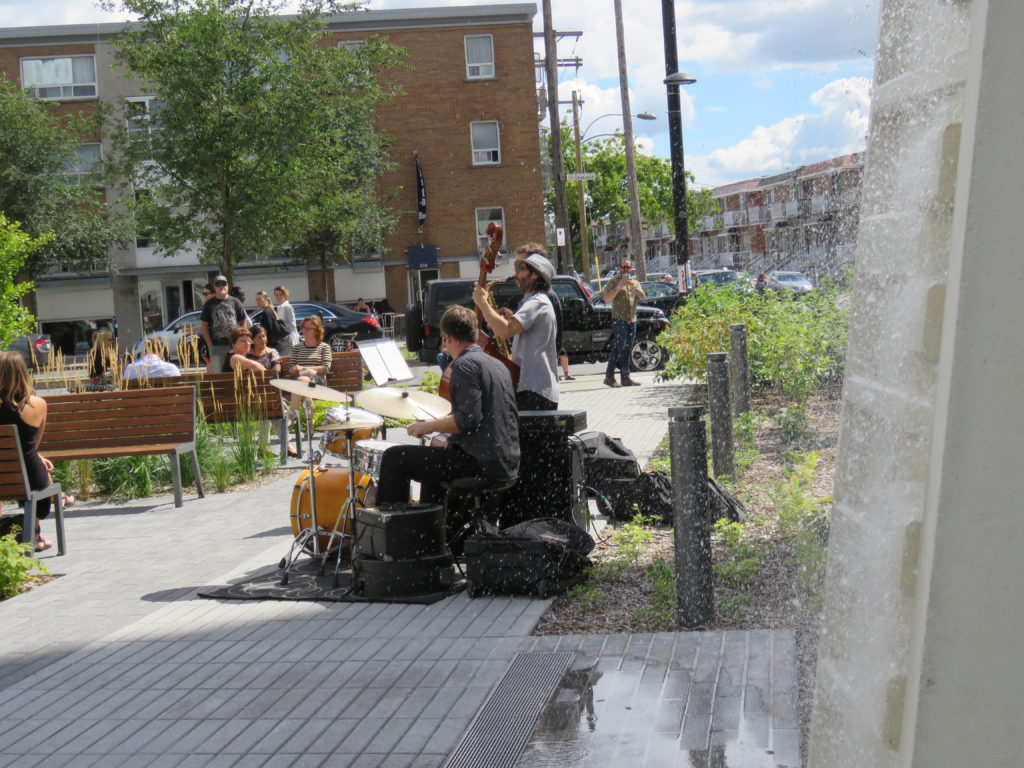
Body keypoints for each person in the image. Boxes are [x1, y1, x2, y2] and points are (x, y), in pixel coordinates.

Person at [376, 305, 519, 506]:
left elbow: (467, 420)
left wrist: (427, 427)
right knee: (432, 466)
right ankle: (434, 521)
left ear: (449, 338)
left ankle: (394, 524)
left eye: (444, 339)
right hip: (506, 462)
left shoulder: (464, 365)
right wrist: (440, 422)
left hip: (479, 463)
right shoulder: (497, 364)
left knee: (395, 458)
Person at [472, 245, 559, 411]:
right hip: (532, 388)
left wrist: (482, 303)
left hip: (535, 390)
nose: (515, 274)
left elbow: (505, 331)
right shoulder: (533, 302)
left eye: (521, 269)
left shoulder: (537, 302)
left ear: (535, 275)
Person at [0, 352, 71, 551]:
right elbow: (32, 445)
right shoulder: (38, 404)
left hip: (3, 476)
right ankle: (34, 533)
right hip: (28, 476)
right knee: (33, 471)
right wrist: (37, 455)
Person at [601, 258, 646, 388]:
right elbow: (606, 299)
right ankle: (609, 377)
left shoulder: (634, 282)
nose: (625, 270)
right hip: (619, 319)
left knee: (627, 349)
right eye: (623, 267)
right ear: (619, 267)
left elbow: (643, 296)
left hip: (632, 319)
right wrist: (619, 287)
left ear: (631, 268)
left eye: (628, 267)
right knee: (618, 348)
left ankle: (625, 378)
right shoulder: (613, 282)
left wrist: (635, 288)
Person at [200, 274, 249, 374]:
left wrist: (243, 340)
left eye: (224, 284)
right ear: (214, 287)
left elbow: (243, 321)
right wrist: (210, 345)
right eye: (218, 284)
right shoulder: (209, 304)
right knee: (219, 374)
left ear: (228, 286)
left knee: (238, 373)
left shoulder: (235, 302)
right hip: (217, 346)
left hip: (235, 346)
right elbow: (203, 326)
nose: (221, 286)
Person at [273, 285, 299, 357]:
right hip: (283, 339)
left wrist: (280, 327)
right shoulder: (279, 307)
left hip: (290, 339)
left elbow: (292, 325)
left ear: (285, 295)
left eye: (280, 294)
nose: (278, 297)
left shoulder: (288, 307)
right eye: (276, 295)